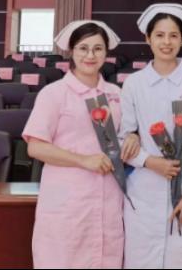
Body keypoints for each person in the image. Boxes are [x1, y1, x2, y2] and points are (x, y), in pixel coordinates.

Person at [23, 20, 140, 269]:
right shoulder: (54, 93)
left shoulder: (116, 94)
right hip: (68, 198)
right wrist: (83, 160)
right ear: (72, 51)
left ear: (106, 53)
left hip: (109, 195)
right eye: (83, 48)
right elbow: (35, 147)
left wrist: (133, 137)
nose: (90, 55)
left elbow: (126, 134)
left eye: (98, 49)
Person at [119, 3, 182, 269]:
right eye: (160, 35)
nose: (166, 42)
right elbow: (123, 138)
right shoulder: (134, 83)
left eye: (173, 35)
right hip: (145, 187)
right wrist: (149, 161)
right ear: (148, 38)